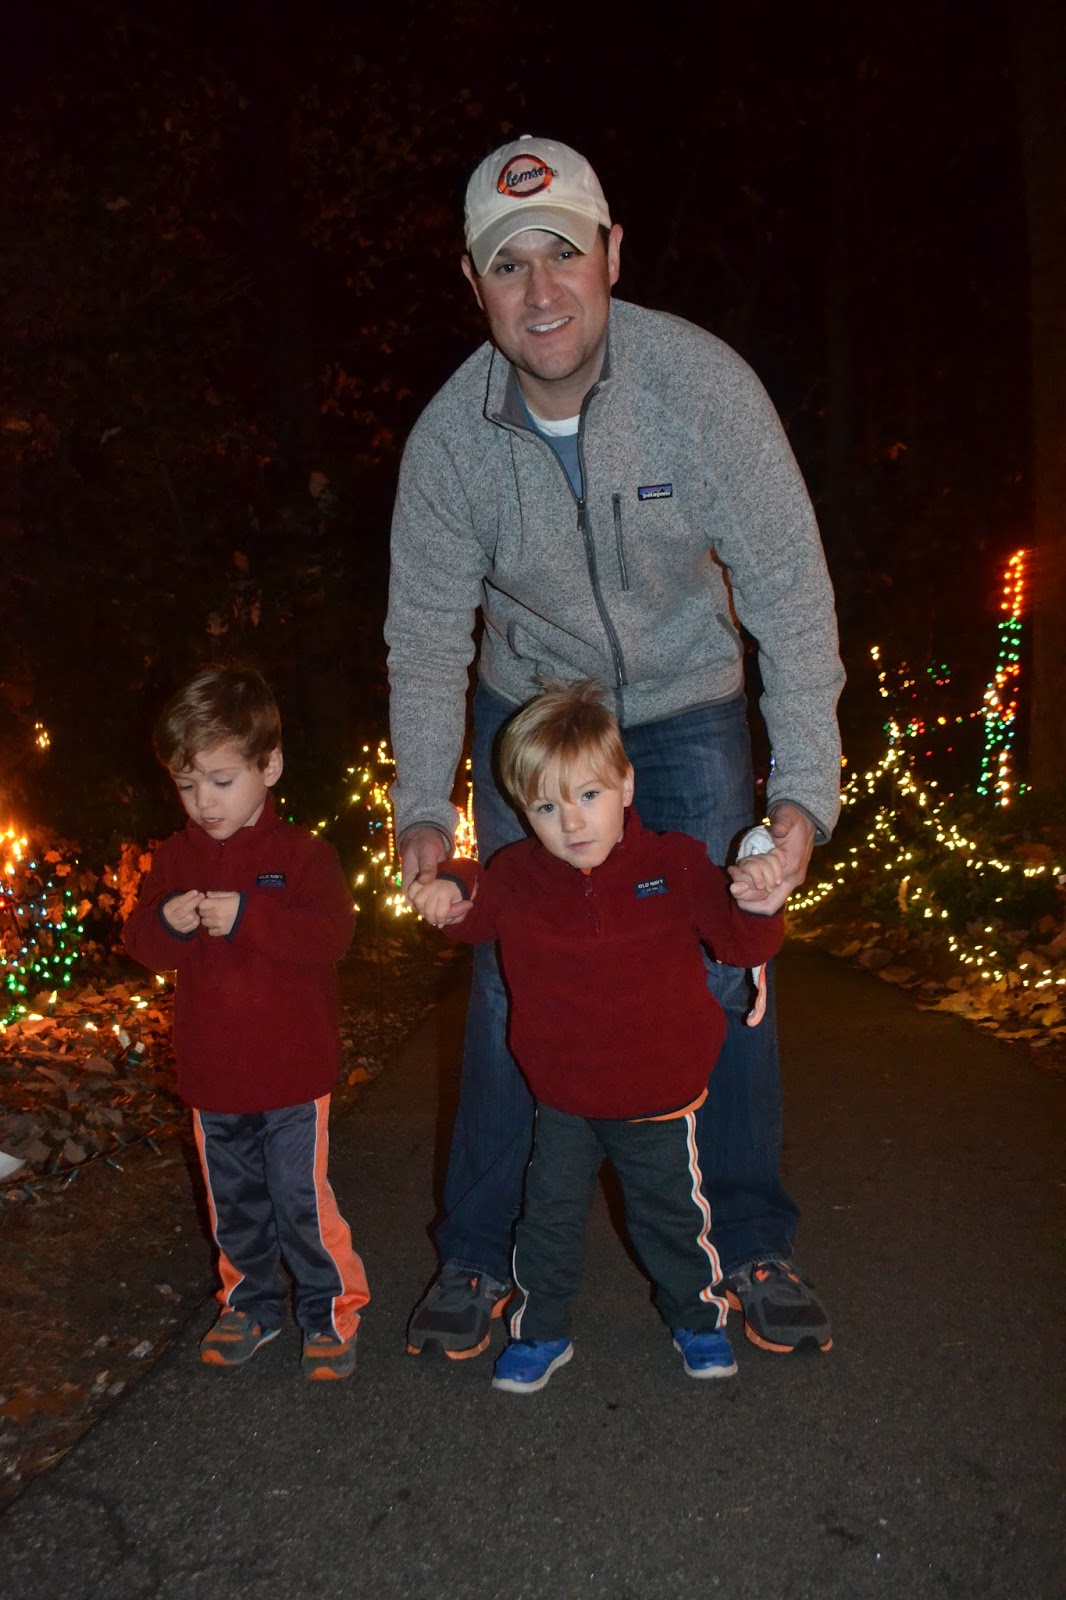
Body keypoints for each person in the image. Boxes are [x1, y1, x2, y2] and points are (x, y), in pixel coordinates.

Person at [385, 134, 844, 1362]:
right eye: (507, 265)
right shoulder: (450, 442)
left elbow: (790, 594)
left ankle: (748, 1238)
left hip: (689, 701)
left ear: (611, 254)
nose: (540, 291)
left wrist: (802, 795)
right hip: (532, 716)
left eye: (563, 255)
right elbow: (423, 638)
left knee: (726, 961)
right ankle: (480, 1254)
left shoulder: (702, 392)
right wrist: (423, 810)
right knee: (508, 974)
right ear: (474, 284)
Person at [409, 682, 787, 1392]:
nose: (572, 822)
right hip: (564, 1099)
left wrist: (762, 904)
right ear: (523, 811)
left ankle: (698, 1321)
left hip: (658, 1096)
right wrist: (449, 886)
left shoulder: (675, 863)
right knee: (547, 1222)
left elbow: (740, 945)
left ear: (626, 785)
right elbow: (473, 906)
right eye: (546, 807)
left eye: (588, 795)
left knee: (671, 1219)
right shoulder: (519, 876)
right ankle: (541, 1331)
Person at [124, 666, 369, 1380]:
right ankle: (250, 1304)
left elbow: (331, 935)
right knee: (233, 1205)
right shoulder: (175, 858)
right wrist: (166, 924)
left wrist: (250, 918)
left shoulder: (303, 857)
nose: (203, 801)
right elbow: (143, 945)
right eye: (186, 784)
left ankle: (331, 1310)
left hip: (292, 1074)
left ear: (270, 767)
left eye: (221, 781)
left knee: (299, 1201)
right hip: (213, 1078)